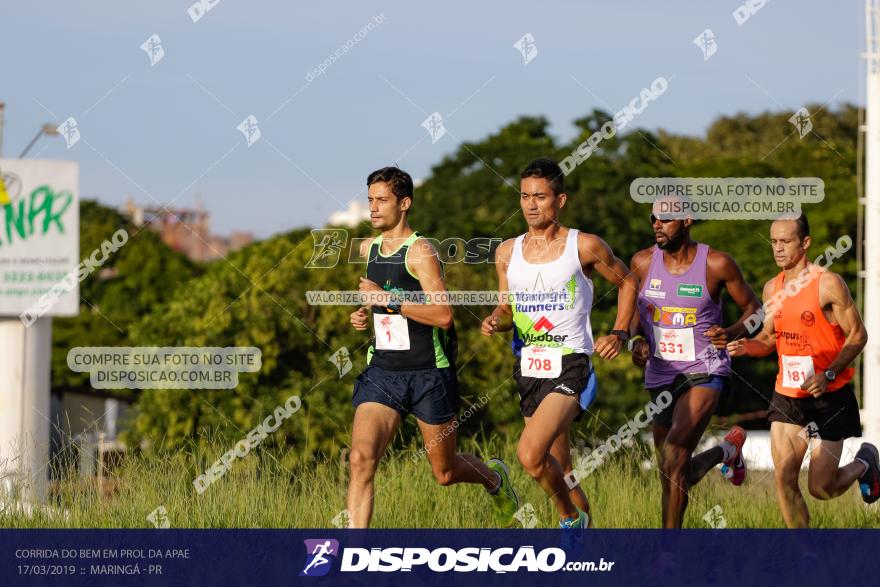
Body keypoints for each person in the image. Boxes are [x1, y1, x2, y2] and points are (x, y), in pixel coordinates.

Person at [347, 166, 519, 528]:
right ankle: (354, 559)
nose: (373, 208)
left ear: (404, 203)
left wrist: (387, 302)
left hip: (428, 374)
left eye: (382, 200)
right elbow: (381, 300)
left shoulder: (421, 252)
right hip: (383, 372)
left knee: (445, 471)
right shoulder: (370, 249)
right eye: (370, 201)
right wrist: (365, 313)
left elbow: (443, 315)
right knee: (361, 459)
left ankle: (494, 478)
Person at [481, 157, 639, 529]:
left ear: (560, 200)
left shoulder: (583, 246)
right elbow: (505, 308)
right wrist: (495, 320)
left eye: (540, 196)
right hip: (528, 365)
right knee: (562, 470)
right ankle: (588, 545)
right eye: (524, 196)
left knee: (530, 454)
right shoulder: (506, 252)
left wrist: (619, 331)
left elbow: (628, 281)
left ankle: (570, 521)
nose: (531, 205)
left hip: (571, 364)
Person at [727, 214, 879, 527]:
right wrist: (746, 346)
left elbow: (858, 335)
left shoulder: (827, 284)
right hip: (787, 396)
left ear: (805, 243)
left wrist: (830, 374)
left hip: (830, 398)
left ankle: (864, 463)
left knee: (822, 488)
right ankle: (804, 553)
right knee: (783, 477)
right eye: (773, 241)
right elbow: (769, 338)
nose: (778, 248)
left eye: (786, 241)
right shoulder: (772, 289)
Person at [629, 197, 761, 528]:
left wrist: (730, 331)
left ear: (687, 219)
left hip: (705, 371)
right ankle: (725, 452)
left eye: (666, 218)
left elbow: (755, 309)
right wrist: (636, 340)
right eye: (653, 218)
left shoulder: (716, 264)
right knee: (672, 471)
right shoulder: (643, 262)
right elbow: (633, 311)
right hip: (661, 374)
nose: (658, 224)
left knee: (674, 456)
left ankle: (669, 555)